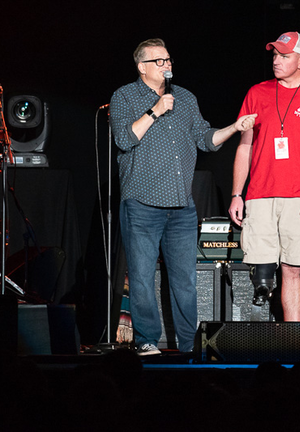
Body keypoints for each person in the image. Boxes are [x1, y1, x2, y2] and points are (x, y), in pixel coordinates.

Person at [110, 38, 257, 355]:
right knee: (142, 279)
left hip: (181, 208)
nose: (167, 65)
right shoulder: (124, 96)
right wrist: (155, 110)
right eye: (159, 61)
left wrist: (234, 127)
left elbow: (206, 139)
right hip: (141, 205)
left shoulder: (185, 98)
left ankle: (190, 345)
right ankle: (147, 341)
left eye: (168, 60)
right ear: (142, 67)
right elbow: (124, 138)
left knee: (185, 282)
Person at [228, 32, 300, 321]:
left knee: (293, 268)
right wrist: (236, 194)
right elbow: (245, 146)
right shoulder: (257, 92)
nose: (277, 61)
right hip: (260, 195)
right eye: (275, 55)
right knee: (259, 269)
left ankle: (292, 337)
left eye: (284, 56)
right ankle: (253, 341)